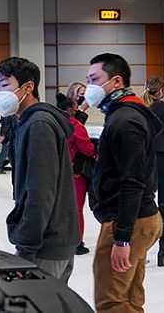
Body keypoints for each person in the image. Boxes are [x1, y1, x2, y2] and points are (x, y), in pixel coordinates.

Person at [86, 53, 162, 313]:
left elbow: (132, 181)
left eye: (95, 79)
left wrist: (121, 240)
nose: (90, 87)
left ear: (116, 81)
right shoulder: (124, 114)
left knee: (112, 303)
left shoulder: (124, 121)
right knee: (130, 298)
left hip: (128, 221)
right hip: (138, 220)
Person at [0, 57, 79, 282]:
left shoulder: (39, 125)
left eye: (4, 85)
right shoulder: (29, 122)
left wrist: (26, 248)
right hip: (52, 240)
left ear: (28, 87)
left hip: (46, 244)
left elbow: (40, 192)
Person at [141, 76, 164, 267]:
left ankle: (142, 248)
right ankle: (163, 252)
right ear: (161, 91)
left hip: (145, 158)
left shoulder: (140, 108)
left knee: (144, 203)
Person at [56, 93, 97, 256]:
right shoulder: (76, 126)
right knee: (76, 209)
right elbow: (87, 149)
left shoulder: (54, 124)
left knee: (61, 207)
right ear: (70, 110)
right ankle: (77, 242)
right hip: (76, 173)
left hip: (58, 171)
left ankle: (62, 238)